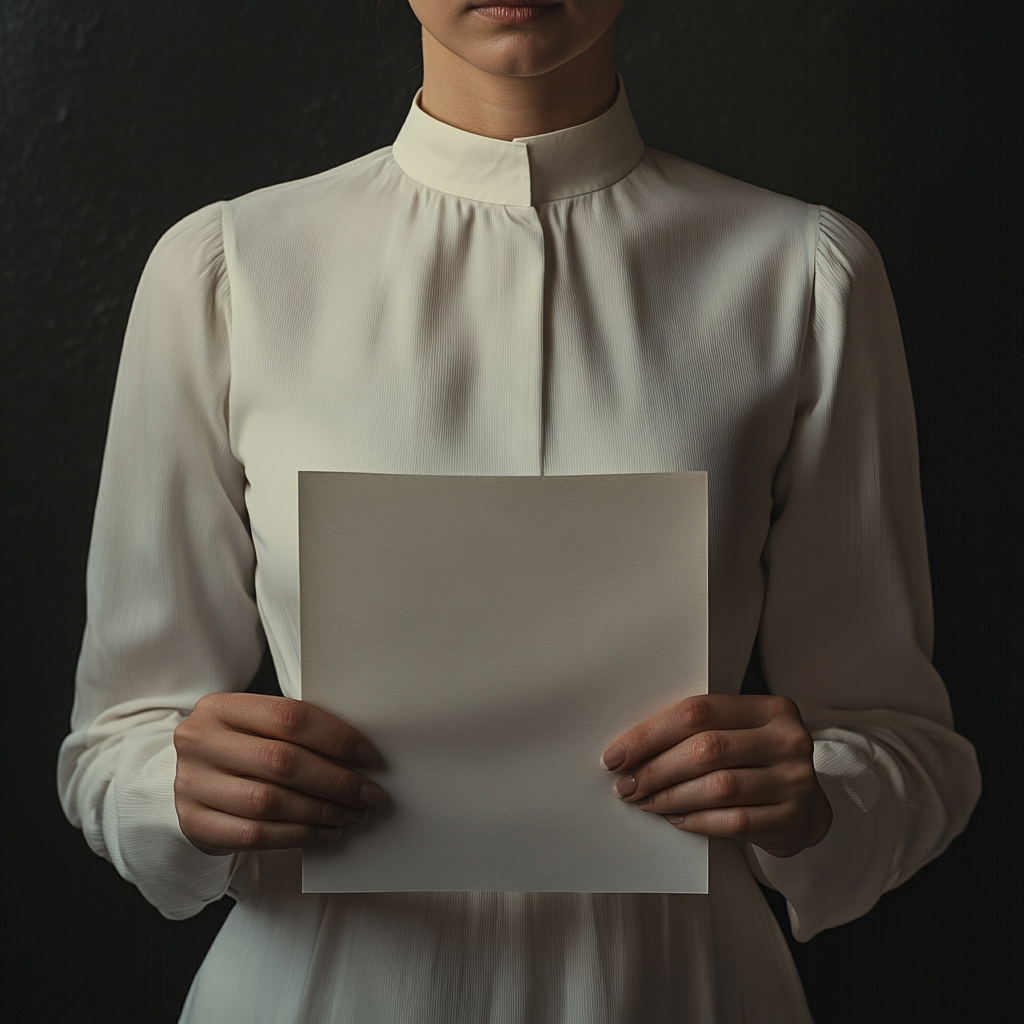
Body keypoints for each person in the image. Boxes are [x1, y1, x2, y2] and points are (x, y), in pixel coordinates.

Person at [57, 2, 982, 1021]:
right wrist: (181, 790)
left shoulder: (803, 277)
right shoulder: (225, 273)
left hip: (680, 991)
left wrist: (813, 797)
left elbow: (906, 748)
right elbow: (115, 738)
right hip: (319, 990)